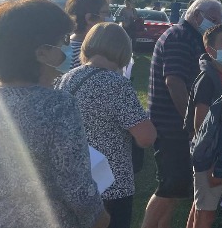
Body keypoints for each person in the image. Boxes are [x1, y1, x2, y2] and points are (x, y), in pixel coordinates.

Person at [0, 0, 109, 228]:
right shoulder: (58, 105)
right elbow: (76, 188)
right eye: (63, 40)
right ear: (41, 53)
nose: (68, 47)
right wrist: (101, 218)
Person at [57, 22, 156, 228]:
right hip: (111, 183)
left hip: (73, 180)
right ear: (123, 50)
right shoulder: (116, 84)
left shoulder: (65, 79)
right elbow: (146, 137)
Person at [143, 0, 222, 228]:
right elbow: (174, 82)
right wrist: (190, 124)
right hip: (172, 125)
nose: (216, 26)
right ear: (197, 15)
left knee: (176, 187)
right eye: (213, 20)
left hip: (178, 124)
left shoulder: (191, 36)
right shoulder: (180, 37)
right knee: (169, 186)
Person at [185, 24, 222, 228]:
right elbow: (200, 124)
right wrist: (211, 163)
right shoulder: (207, 79)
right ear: (210, 50)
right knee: (207, 213)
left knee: (201, 205)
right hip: (210, 155)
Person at [65, 0, 112, 70]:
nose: (109, 17)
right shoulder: (86, 54)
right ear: (89, 18)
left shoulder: (66, 47)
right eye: (105, 12)